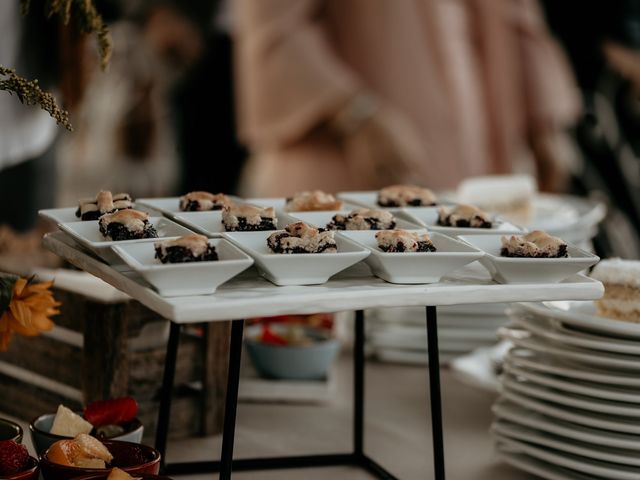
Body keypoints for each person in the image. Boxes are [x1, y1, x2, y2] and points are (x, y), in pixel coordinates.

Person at [234, 0, 580, 196]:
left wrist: (543, 118)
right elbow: (273, 30)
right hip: (347, 161)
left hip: (475, 148)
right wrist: (355, 113)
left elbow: (517, 11)